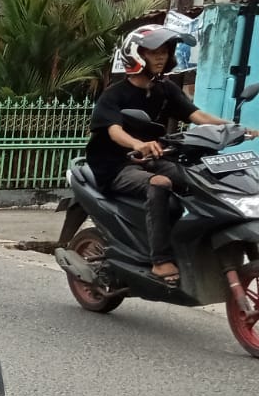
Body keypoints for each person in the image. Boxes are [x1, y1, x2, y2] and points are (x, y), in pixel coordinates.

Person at [86, 24, 247, 287]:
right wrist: (139, 143)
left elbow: (198, 116)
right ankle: (160, 259)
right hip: (114, 165)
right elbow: (114, 132)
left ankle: (195, 246)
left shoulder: (166, 89)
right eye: (154, 52)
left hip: (153, 159)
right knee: (160, 185)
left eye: (166, 51)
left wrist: (235, 128)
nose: (161, 57)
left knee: (196, 178)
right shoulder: (114, 94)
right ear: (137, 55)